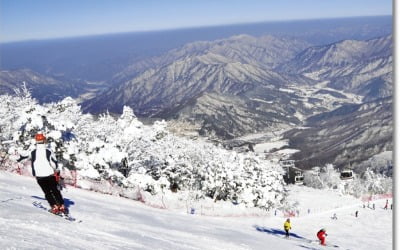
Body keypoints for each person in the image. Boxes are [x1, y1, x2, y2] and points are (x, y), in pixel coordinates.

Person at [20, 133, 67, 214]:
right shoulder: (48, 151)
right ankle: (61, 206)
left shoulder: (33, 152)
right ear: (44, 140)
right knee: (55, 190)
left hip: (39, 176)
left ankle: (54, 207)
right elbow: (54, 163)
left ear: (36, 141)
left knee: (47, 192)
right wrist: (56, 170)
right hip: (49, 174)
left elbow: (22, 157)